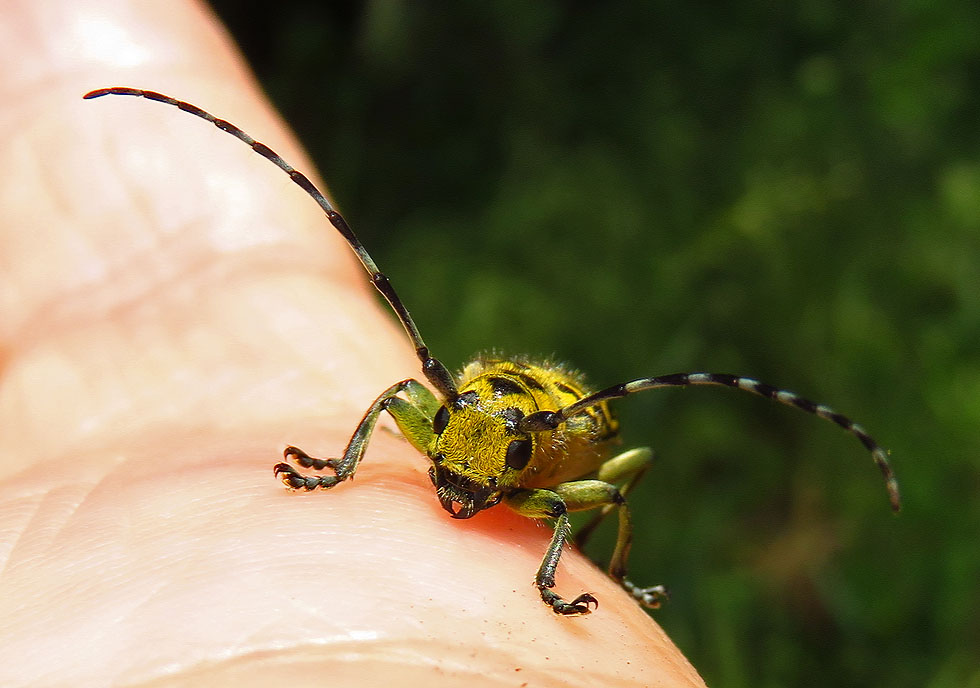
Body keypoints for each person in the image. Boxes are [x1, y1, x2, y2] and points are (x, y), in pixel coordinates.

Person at [0, 1, 704, 685]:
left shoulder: (545, 485)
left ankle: (613, 578)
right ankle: (344, 468)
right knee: (403, 391)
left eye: (492, 464)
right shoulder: (450, 416)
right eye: (456, 442)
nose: (460, 484)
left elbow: (583, 492)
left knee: (612, 491)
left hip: (562, 451)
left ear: (529, 451)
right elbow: (404, 393)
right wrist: (341, 470)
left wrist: (558, 577)